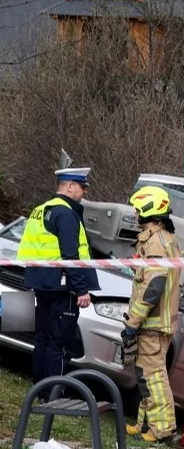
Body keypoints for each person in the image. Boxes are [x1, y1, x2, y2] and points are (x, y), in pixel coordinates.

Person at [18, 167, 99, 390]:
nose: (83, 193)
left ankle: (39, 389)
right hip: (63, 286)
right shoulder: (66, 213)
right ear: (69, 186)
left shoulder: (41, 209)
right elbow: (70, 255)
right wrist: (81, 289)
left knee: (42, 340)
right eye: (82, 187)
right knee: (58, 343)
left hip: (41, 283)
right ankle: (52, 393)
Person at [121, 186, 182, 444]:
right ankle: (144, 421)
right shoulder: (161, 237)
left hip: (152, 323)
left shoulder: (156, 241)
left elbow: (153, 285)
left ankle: (162, 429)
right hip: (154, 322)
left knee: (154, 376)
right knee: (145, 374)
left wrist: (133, 321)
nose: (135, 213)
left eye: (138, 209)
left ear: (148, 209)